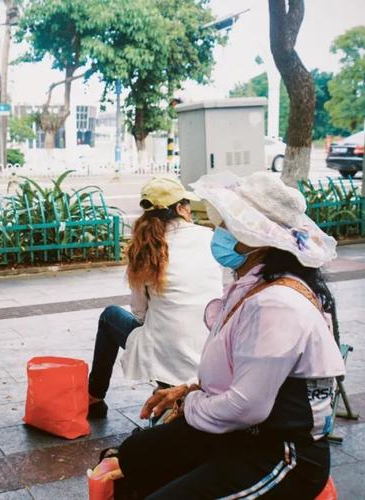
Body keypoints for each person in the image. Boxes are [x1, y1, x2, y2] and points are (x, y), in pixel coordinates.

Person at [108, 171, 346, 499]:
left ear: (251, 238)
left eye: (226, 225)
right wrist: (188, 389)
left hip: (279, 453)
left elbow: (247, 406)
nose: (218, 232)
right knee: (135, 454)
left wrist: (191, 402)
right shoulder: (252, 283)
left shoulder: (278, 303)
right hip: (239, 431)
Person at [88, 177, 224, 418]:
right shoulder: (210, 238)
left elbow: (139, 312)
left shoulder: (145, 251)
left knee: (110, 316)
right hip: (214, 353)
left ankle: (94, 399)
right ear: (181, 208)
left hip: (166, 352)